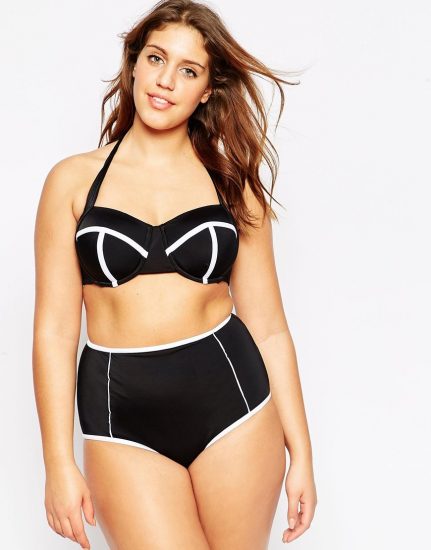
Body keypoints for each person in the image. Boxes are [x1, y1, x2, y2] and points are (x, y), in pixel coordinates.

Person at [32, 1, 317, 548]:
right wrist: (57, 463)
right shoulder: (71, 182)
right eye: (156, 59)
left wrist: (301, 452)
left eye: (188, 70)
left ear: (207, 90)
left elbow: (269, 328)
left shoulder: (232, 183)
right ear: (134, 64)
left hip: (234, 406)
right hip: (120, 418)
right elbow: (55, 331)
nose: (166, 81)